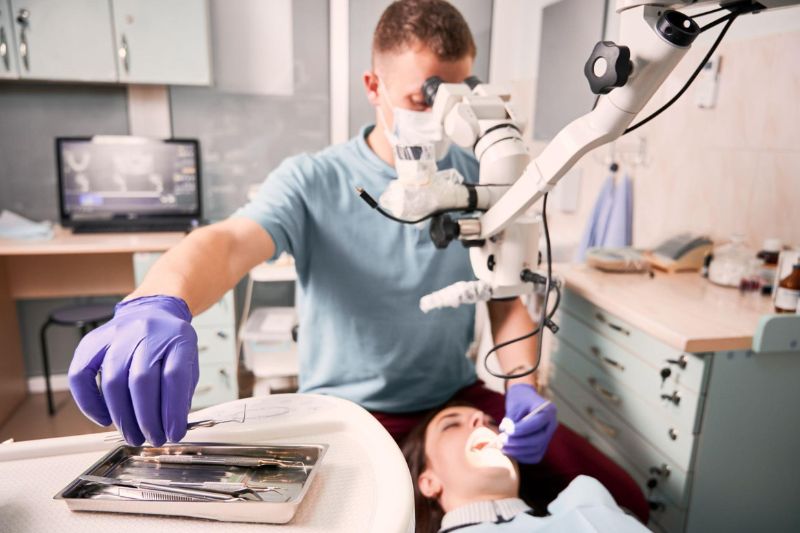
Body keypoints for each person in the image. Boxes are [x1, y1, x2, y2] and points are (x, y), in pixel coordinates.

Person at [67, 0, 556, 465]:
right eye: (421, 98)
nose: (441, 118)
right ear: (373, 85)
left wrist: (521, 384)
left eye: (458, 99)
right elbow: (230, 243)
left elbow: (505, 294)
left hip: (452, 401)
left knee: (602, 484)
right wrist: (160, 300)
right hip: (348, 412)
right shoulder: (313, 179)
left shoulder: (484, 175)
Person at [402, 403, 652, 533]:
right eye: (451, 425)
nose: (481, 421)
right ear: (429, 482)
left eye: (490, 421)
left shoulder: (587, 502)